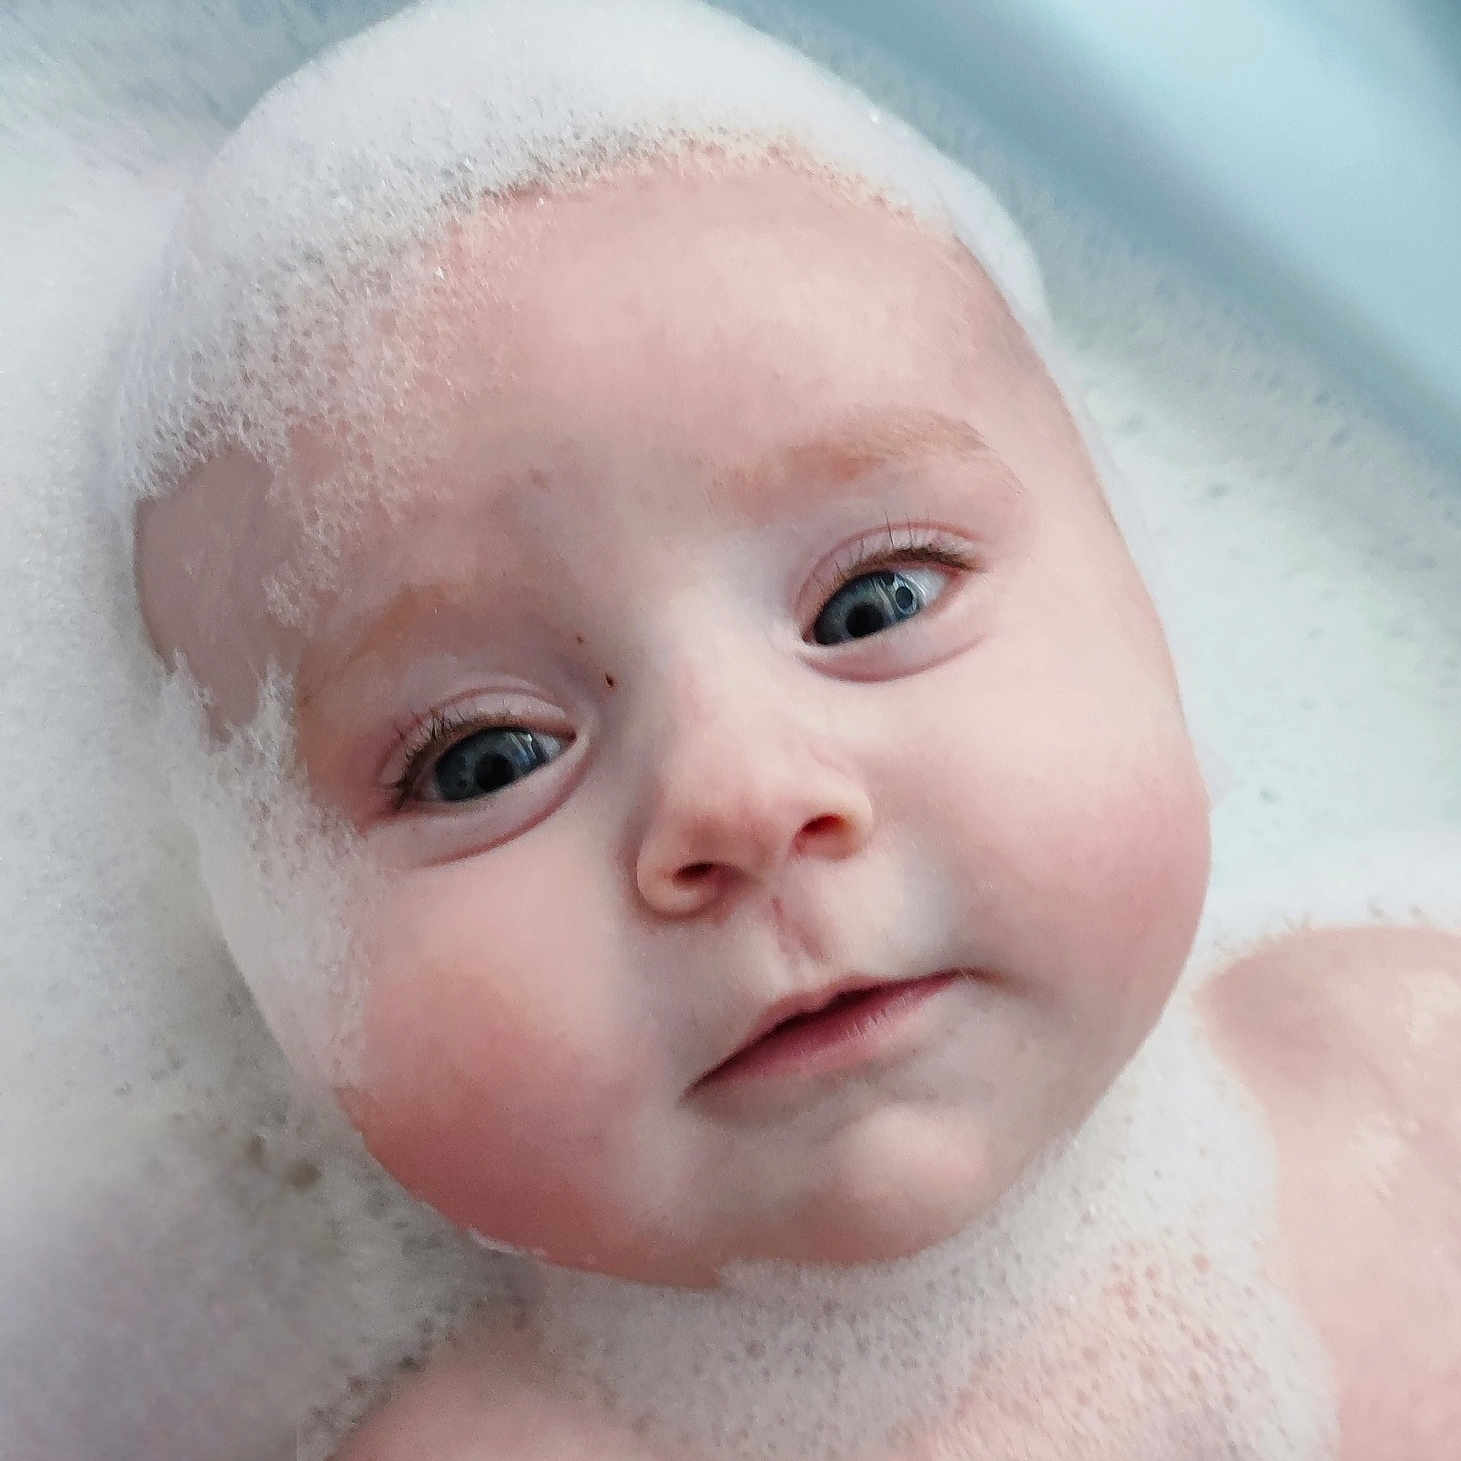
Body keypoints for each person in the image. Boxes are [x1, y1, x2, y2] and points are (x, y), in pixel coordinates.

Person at [116, 1, 1460, 1455]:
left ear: (1147, 594)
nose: (741, 796)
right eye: (484, 760)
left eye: (874, 601)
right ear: (265, 957)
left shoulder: (1410, 1062)